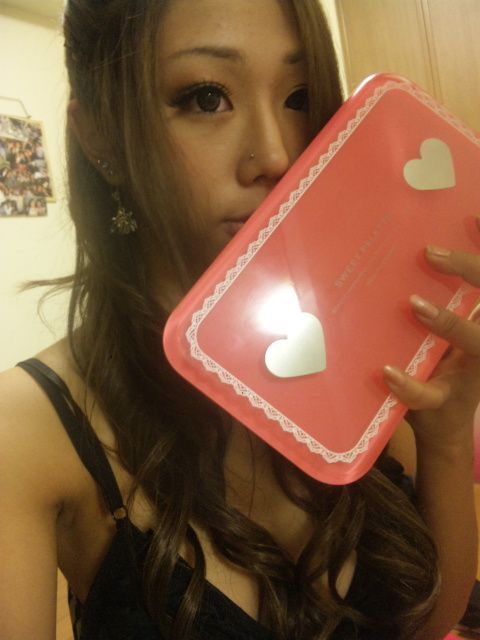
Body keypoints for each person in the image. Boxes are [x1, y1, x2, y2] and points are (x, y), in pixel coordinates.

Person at [0, 1, 479, 639]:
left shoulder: (355, 359)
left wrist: (446, 439)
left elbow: (427, 623)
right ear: (101, 137)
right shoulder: (27, 432)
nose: (277, 154)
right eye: (206, 98)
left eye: (299, 97)